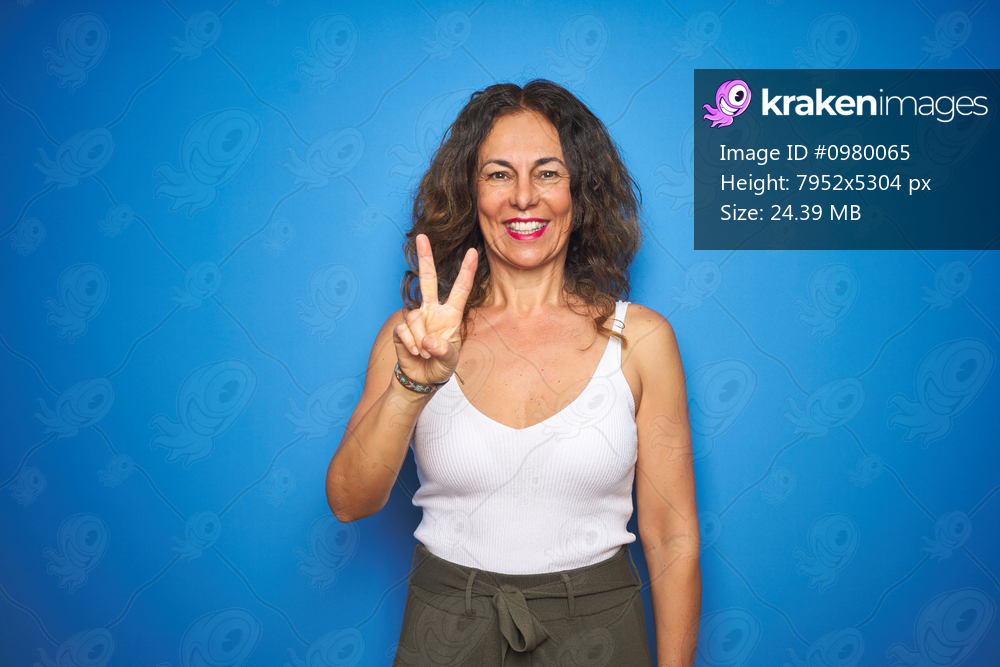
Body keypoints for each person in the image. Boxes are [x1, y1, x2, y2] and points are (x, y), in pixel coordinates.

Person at [326, 80, 700, 666]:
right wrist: (414, 384)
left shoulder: (641, 341)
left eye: (548, 173)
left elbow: (672, 536)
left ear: (581, 190)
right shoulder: (413, 338)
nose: (524, 197)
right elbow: (350, 502)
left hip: (599, 629)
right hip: (446, 626)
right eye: (499, 174)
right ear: (470, 193)